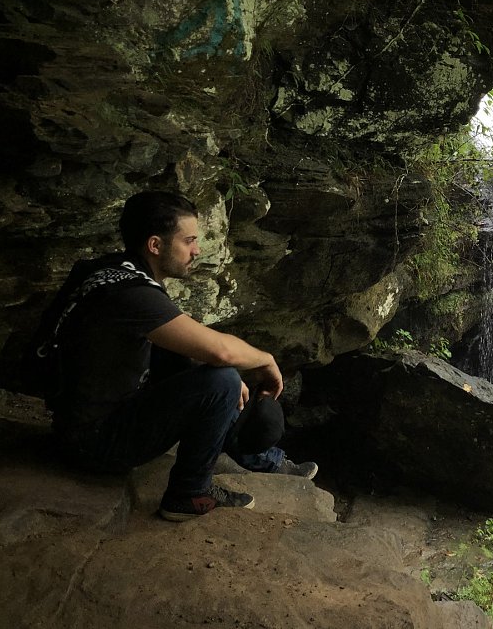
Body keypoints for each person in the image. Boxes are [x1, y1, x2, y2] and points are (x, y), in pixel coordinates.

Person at [41, 190, 316, 521]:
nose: (197, 250)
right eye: (189, 241)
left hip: (81, 424)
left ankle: (261, 459)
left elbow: (190, 341)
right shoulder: (132, 296)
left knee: (212, 372)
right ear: (155, 245)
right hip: (95, 443)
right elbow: (221, 349)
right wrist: (264, 360)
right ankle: (188, 494)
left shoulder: (111, 272)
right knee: (223, 378)